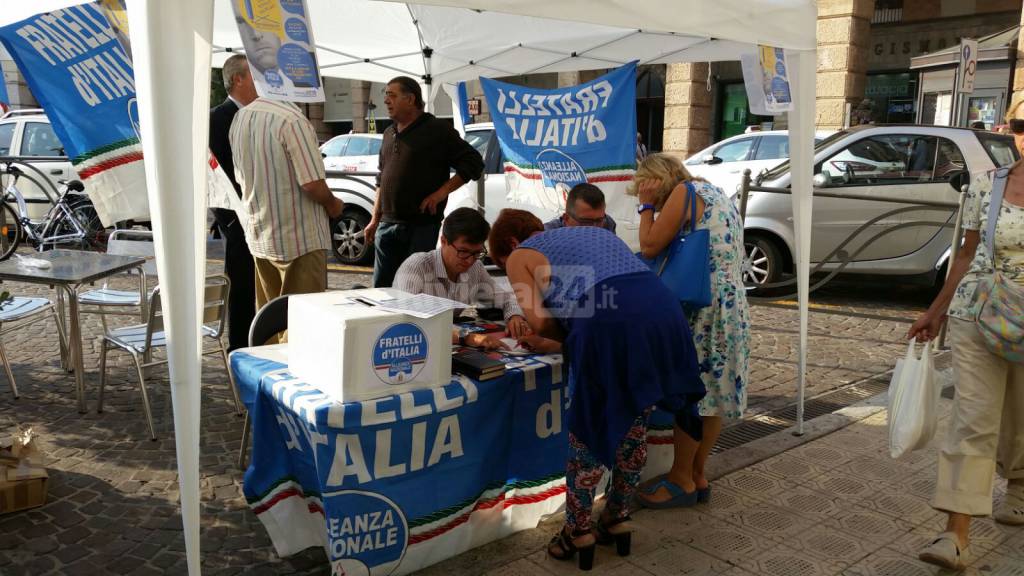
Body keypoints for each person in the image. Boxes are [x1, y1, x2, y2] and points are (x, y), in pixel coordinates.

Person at [488, 209, 704, 570]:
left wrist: (559, 341)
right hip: (663, 312)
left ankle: (577, 531)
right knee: (635, 421)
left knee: (587, 433)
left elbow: (540, 321)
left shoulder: (520, 255)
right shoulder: (595, 232)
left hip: (605, 322)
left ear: (510, 243)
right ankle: (617, 517)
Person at [908, 94, 1024, 571]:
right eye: (1022, 123)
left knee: (1019, 412)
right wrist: (935, 310)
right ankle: (956, 534)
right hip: (979, 311)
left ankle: (1018, 485)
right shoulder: (986, 185)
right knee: (974, 418)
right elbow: (966, 253)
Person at [630, 153, 751, 508]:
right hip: (730, 306)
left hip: (703, 307)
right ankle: (697, 474)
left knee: (692, 393)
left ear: (655, 182)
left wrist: (646, 207)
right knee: (713, 395)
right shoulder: (713, 192)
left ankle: (681, 479)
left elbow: (650, 245)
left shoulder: (683, 193)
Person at [230, 97, 344, 326]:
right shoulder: (291, 120)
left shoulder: (242, 116)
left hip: (261, 233)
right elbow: (312, 183)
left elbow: (240, 175)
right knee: (303, 324)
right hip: (299, 237)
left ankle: (271, 360)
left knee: (269, 321)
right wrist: (333, 205)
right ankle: (292, 362)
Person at [363, 76, 484, 288]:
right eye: (386, 96)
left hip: (420, 226)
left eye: (392, 95)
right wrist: (375, 218)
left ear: (410, 99)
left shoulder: (436, 130)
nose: (386, 101)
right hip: (387, 225)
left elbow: (473, 163)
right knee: (381, 289)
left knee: (414, 288)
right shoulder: (389, 133)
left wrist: (440, 194)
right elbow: (382, 177)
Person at [393, 207, 531, 348]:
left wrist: (515, 317)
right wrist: (466, 337)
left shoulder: (475, 268)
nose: (470, 260)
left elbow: (506, 299)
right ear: (443, 241)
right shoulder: (416, 267)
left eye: (477, 253)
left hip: (448, 342)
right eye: (463, 251)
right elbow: (408, 321)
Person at [209, 54, 258, 353]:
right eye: (254, 75)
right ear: (238, 79)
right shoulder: (218, 117)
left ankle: (258, 338)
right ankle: (239, 346)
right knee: (240, 284)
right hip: (235, 215)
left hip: (259, 212)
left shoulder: (257, 114)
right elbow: (219, 173)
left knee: (256, 283)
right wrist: (231, 217)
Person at [544, 183, 617, 232]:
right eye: (586, 222)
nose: (594, 229)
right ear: (566, 218)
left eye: (599, 221)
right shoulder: (546, 234)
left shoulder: (608, 223)